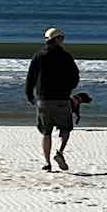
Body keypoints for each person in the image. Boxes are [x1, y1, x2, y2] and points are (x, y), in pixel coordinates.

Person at [25, 27, 81, 171]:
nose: (63, 41)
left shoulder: (38, 55)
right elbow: (75, 77)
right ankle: (60, 152)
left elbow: (30, 78)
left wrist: (30, 96)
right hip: (61, 99)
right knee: (66, 129)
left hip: (43, 100)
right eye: (62, 38)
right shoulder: (66, 56)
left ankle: (47, 163)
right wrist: (69, 89)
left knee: (46, 132)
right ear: (57, 39)